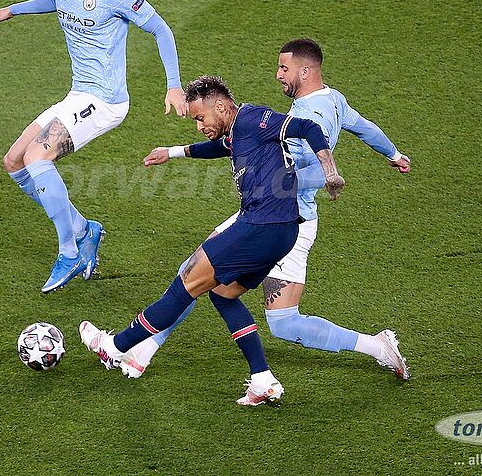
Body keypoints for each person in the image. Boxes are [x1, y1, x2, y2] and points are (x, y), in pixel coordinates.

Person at [126, 38, 411, 380]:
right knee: (281, 321)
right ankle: (378, 347)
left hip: (276, 217)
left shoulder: (307, 115)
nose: (278, 74)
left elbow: (315, 171)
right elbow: (364, 127)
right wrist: (394, 154)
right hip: (291, 220)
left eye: (284, 68)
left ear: (305, 71)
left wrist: (276, 185)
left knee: (196, 275)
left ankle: (140, 347)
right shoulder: (333, 100)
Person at [80, 75, 345, 405]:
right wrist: (172, 152)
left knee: (185, 284)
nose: (199, 126)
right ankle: (262, 379)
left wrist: (329, 171)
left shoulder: (253, 118)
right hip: (283, 232)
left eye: (200, 117)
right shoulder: (237, 131)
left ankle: (115, 347)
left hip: (259, 226)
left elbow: (307, 127)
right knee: (223, 294)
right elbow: (221, 147)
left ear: (220, 106)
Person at [0, 0, 186, 293]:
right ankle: (83, 229)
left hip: (105, 101)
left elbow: (161, 29)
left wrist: (174, 85)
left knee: (37, 157)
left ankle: (69, 251)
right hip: (77, 96)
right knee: (14, 162)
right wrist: (11, 11)